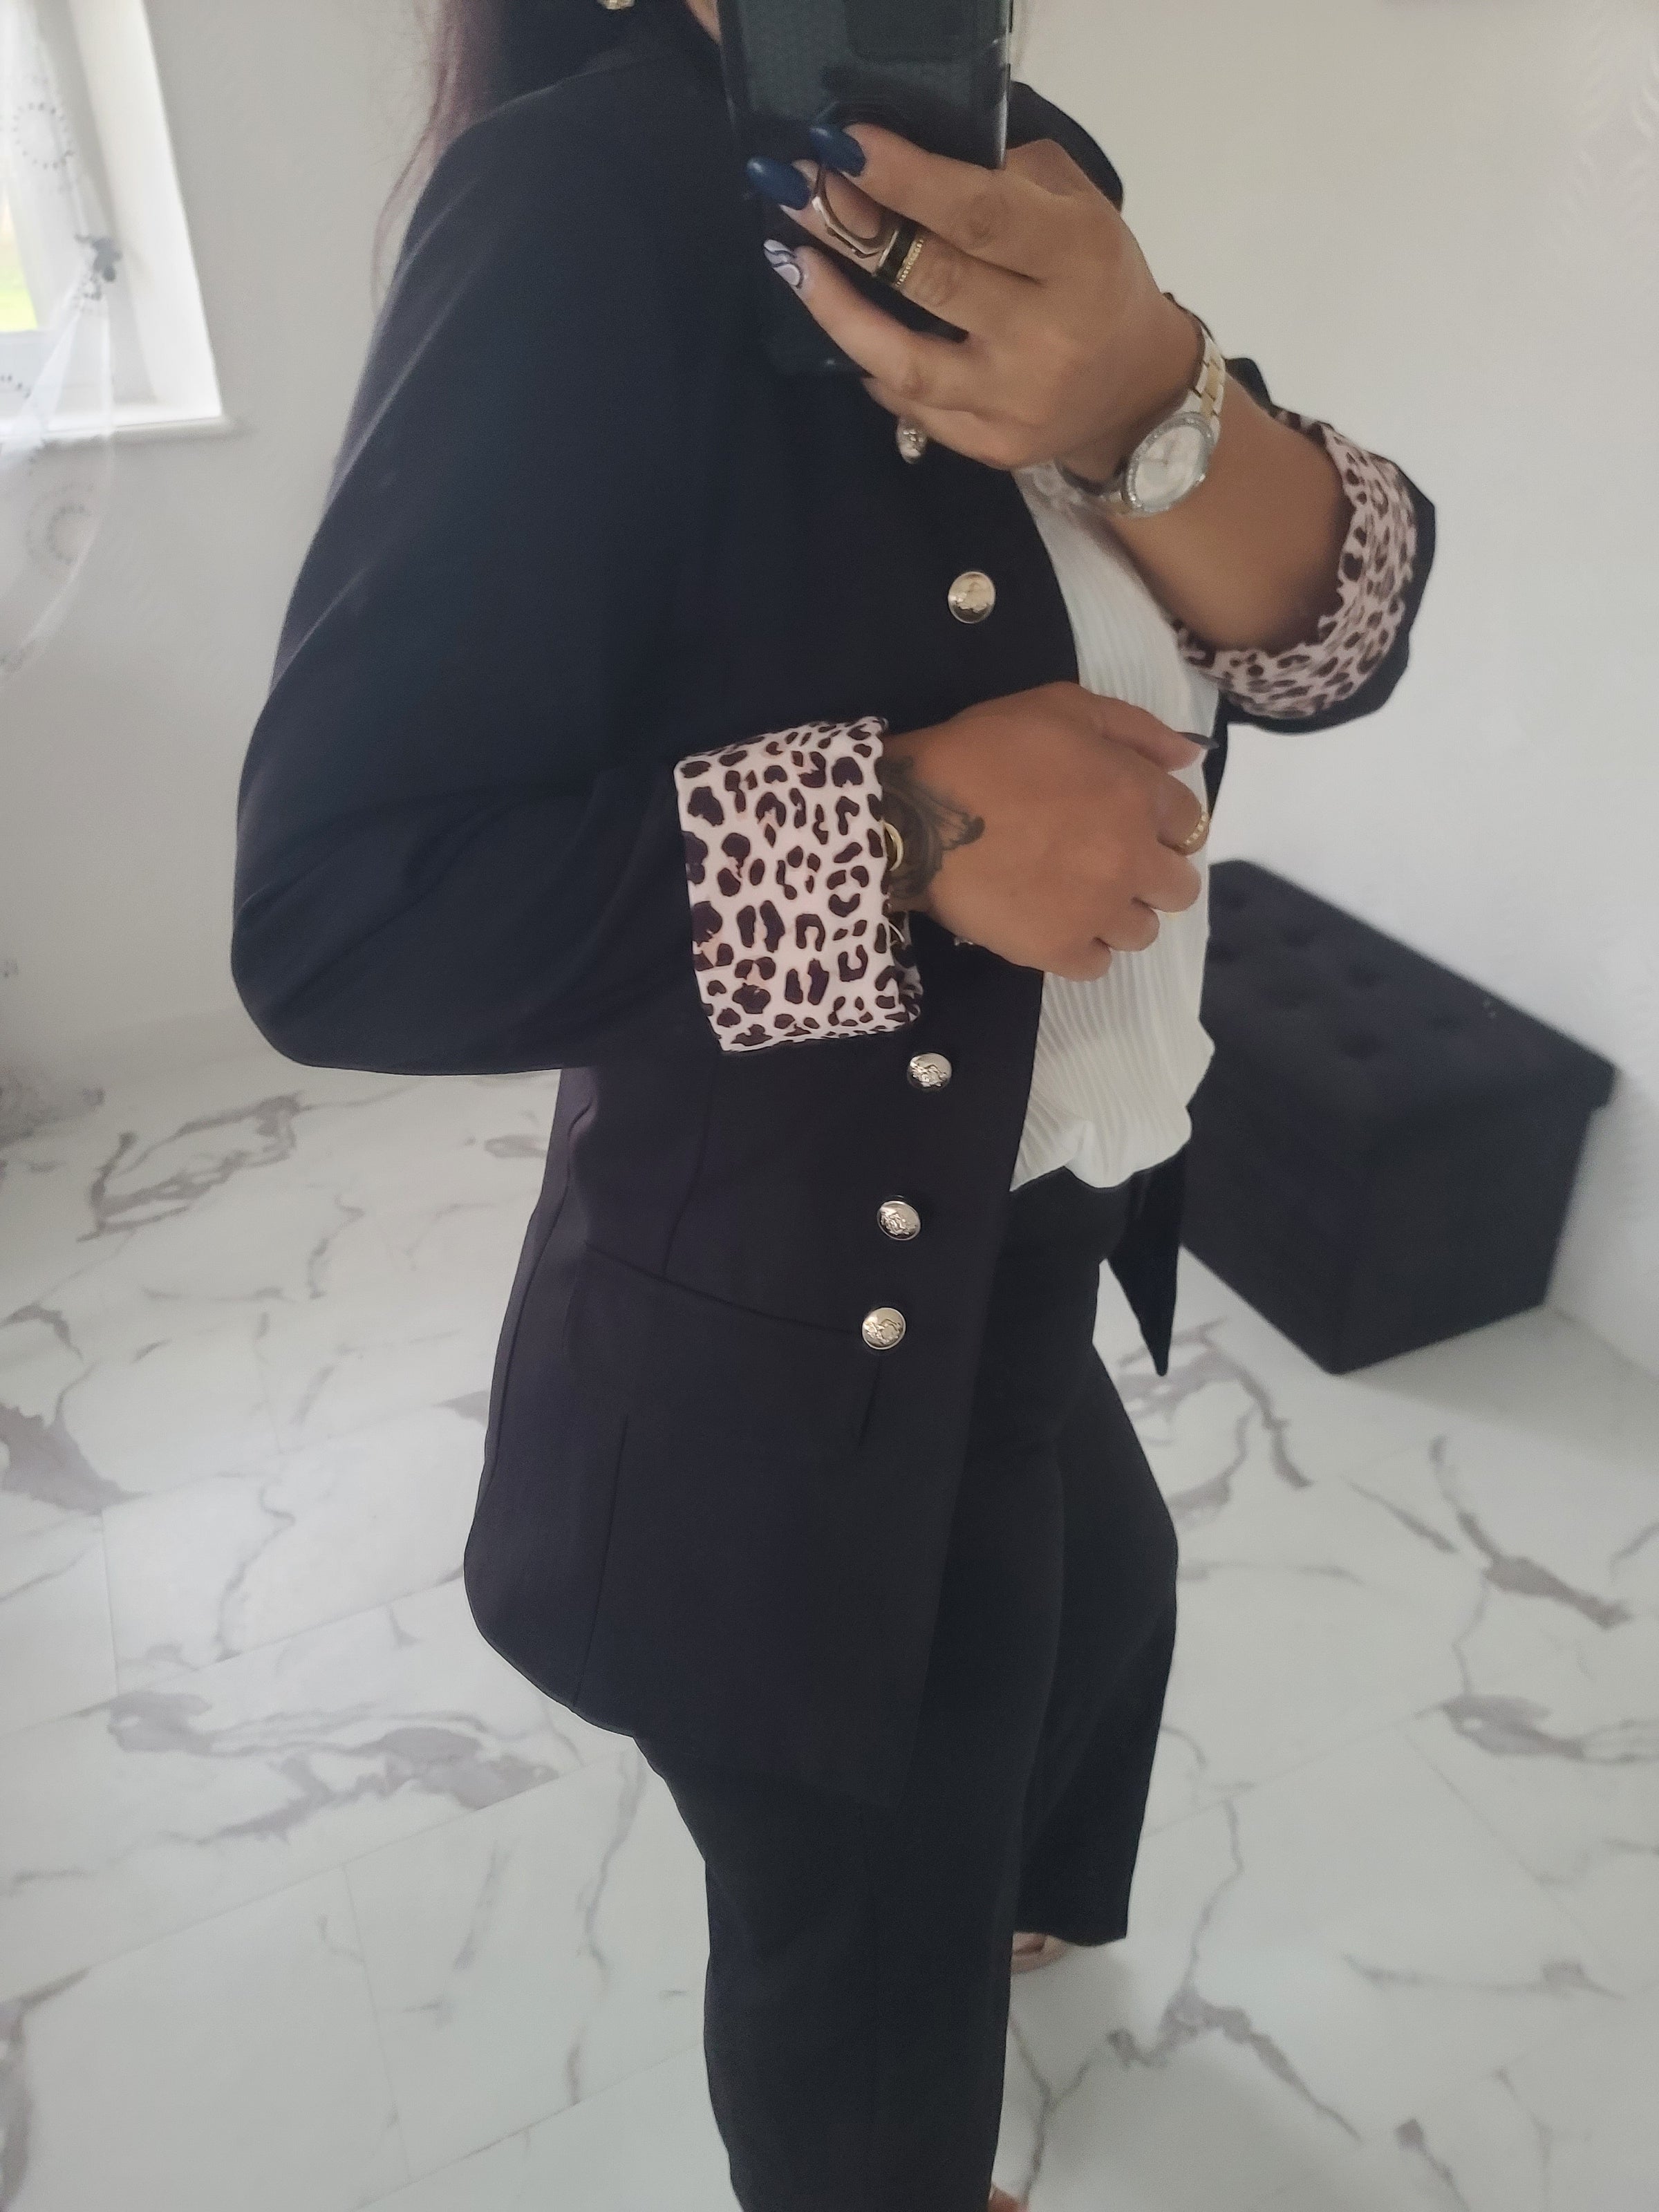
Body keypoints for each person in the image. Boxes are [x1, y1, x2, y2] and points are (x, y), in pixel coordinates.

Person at [231, 2, 1434, 2205]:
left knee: (1103, 1611)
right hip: (793, 1311)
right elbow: (338, 916)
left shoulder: (1032, 160)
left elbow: (1328, 646)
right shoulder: (577, 211)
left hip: (1033, 1233)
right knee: (863, 1940)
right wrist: (903, 831)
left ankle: (1008, 1908)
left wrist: (1156, 396)